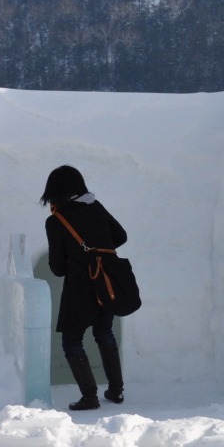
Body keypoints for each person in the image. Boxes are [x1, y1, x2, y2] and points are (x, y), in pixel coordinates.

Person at [40, 165, 128, 411]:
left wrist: (75, 258)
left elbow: (57, 267)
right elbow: (120, 236)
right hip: (105, 281)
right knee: (104, 332)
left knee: (72, 340)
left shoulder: (56, 221)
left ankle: (89, 397)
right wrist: (100, 246)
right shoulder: (95, 207)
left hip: (80, 287)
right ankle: (116, 390)